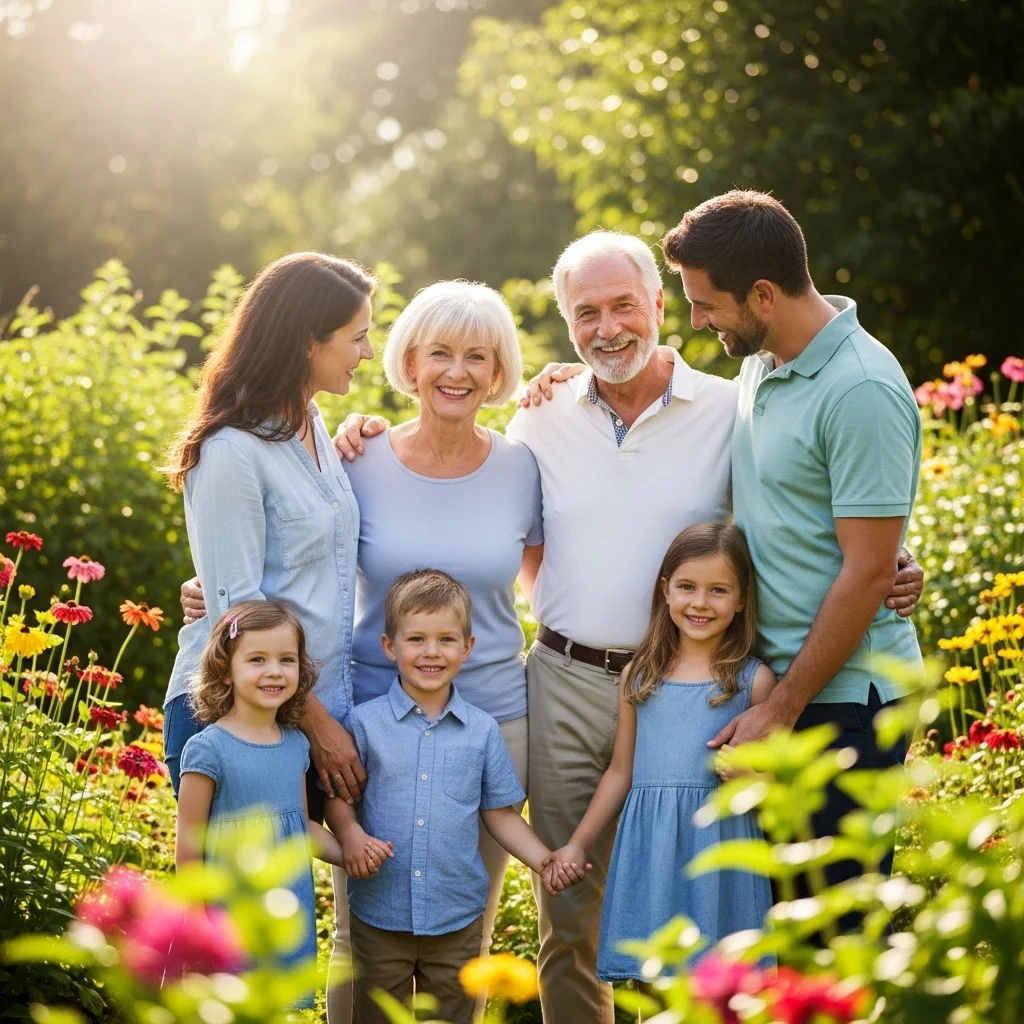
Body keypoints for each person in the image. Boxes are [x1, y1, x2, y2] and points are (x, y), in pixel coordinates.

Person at [338, 230, 922, 1022]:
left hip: (692, 690)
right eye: (586, 313)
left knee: (703, 899)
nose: (607, 327)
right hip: (568, 682)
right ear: (567, 325)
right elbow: (521, 543)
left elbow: (810, 502)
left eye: (624, 305)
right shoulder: (539, 419)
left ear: (660, 306)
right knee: (569, 913)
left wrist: (896, 561)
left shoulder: (732, 404)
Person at [180, 279, 543, 1015]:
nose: (457, 371)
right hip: (368, 716)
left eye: (478, 356)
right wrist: (213, 595)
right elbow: (254, 579)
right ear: (410, 363)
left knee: (462, 935)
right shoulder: (358, 455)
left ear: (501, 367)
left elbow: (552, 582)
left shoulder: (518, 464)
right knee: (357, 931)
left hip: (491, 712)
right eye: (438, 352)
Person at [661, 189, 924, 895]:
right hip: (779, 688)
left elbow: (868, 573)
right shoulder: (763, 364)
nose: (697, 320)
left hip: (843, 701)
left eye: (707, 304)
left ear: (764, 295)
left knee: (833, 929)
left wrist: (780, 709)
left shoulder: (860, 387)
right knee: (777, 932)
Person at [164, 251, 376, 1023]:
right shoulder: (230, 453)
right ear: (305, 342)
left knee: (295, 920)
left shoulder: (314, 425)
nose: (366, 351)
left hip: (318, 701)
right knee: (234, 942)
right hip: (244, 715)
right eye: (355, 337)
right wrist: (316, 724)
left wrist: (366, 433)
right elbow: (237, 612)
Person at [325, 570, 585, 1024]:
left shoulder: (483, 731)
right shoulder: (363, 724)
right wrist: (348, 835)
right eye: (416, 639)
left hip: (457, 919)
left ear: (467, 648)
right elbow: (338, 796)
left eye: (447, 639)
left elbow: (501, 814)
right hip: (379, 914)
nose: (431, 652)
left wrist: (545, 861)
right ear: (390, 647)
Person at [544, 523, 775, 978]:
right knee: (654, 978)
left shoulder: (754, 681)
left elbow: (776, 784)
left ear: (742, 599)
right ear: (666, 590)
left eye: (719, 590)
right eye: (687, 587)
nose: (700, 603)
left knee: (725, 985)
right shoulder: (639, 676)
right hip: (652, 850)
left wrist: (752, 779)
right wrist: (578, 843)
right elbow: (620, 772)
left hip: (721, 851)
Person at [175, 601, 388, 1007]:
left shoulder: (296, 745)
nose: (275, 671)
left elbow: (299, 826)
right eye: (258, 659)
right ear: (225, 669)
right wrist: (197, 923)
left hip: (285, 907)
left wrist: (352, 854)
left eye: (286, 659)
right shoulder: (207, 749)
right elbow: (188, 847)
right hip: (228, 915)